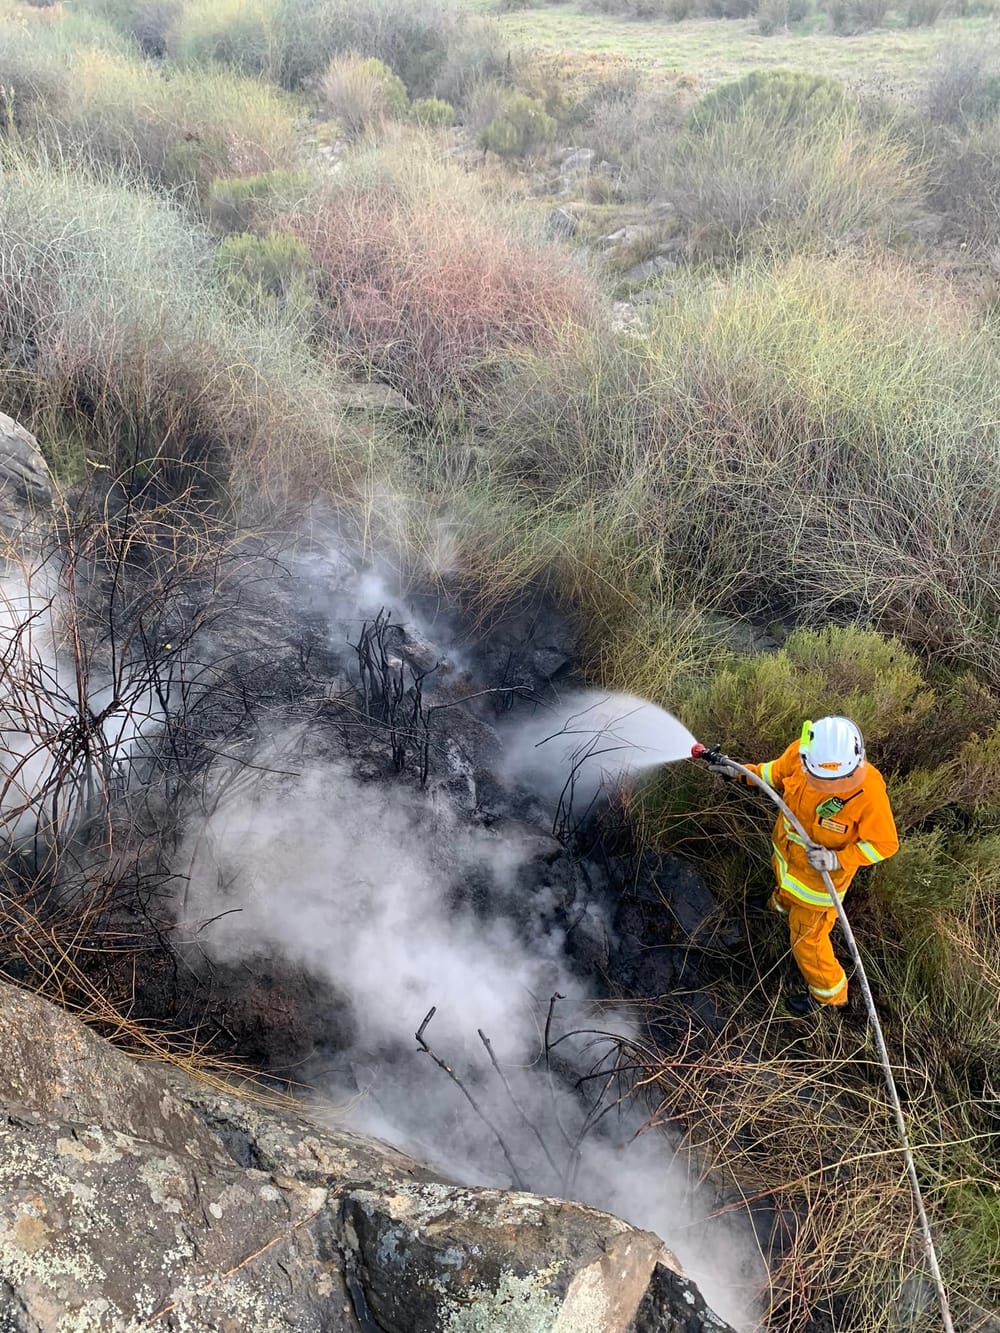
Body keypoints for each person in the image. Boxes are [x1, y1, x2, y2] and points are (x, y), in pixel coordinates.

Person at [710, 717, 899, 1016]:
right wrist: (738, 772)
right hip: (787, 861)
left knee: (807, 941)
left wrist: (839, 859)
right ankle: (779, 904)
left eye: (838, 781)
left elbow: (885, 844)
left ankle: (830, 997)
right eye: (822, 779)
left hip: (818, 888)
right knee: (783, 889)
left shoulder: (869, 792)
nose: (831, 786)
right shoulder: (801, 753)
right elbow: (771, 773)